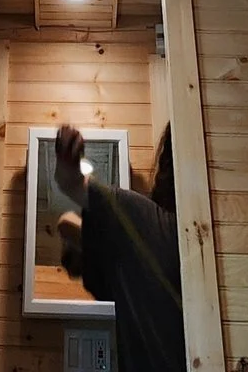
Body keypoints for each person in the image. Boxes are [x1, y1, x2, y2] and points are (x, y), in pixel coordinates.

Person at [52, 122, 185, 372]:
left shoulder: (142, 221)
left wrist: (67, 159)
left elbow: (69, 183)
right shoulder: (145, 222)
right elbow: (69, 186)